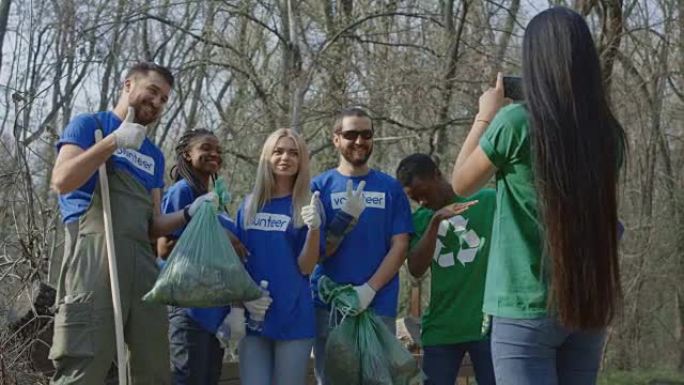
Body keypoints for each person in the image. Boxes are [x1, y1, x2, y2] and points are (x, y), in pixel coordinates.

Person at [450, 7, 626, 385]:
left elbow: (461, 183)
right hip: (588, 301)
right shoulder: (608, 133)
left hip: (524, 303)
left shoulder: (515, 123)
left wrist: (485, 114)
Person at [49, 62, 216, 384]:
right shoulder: (91, 125)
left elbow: (152, 226)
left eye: (164, 99)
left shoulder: (153, 154)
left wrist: (189, 213)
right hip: (94, 255)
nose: (157, 102)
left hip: (141, 261)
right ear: (128, 85)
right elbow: (61, 181)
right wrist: (112, 143)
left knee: (152, 362)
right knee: (85, 362)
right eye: (152, 91)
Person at [311, 107, 414, 385]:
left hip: (377, 306)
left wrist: (369, 290)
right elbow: (314, 252)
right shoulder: (319, 187)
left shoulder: (390, 188)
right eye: (351, 134)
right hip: (330, 307)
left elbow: (401, 245)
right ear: (335, 139)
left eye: (366, 134)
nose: (359, 141)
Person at [156, 128, 249, 385]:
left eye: (218, 150)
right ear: (187, 154)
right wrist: (223, 239)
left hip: (216, 313)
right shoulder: (182, 192)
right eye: (206, 148)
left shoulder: (217, 201)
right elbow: (164, 248)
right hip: (189, 310)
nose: (214, 154)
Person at [396, 153, 496, 385]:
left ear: (437, 174)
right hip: (442, 328)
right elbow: (416, 269)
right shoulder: (421, 219)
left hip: (487, 325)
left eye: (424, 193)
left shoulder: (488, 201)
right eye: (415, 198)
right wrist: (434, 223)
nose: (422, 202)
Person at [235, 128, 323, 385]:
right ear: (267, 157)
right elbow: (238, 261)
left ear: (302, 161)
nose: (285, 157)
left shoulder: (309, 204)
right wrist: (239, 306)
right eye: (278, 151)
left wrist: (314, 229)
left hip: (294, 317)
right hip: (254, 316)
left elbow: (306, 267)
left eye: (293, 153)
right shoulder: (249, 204)